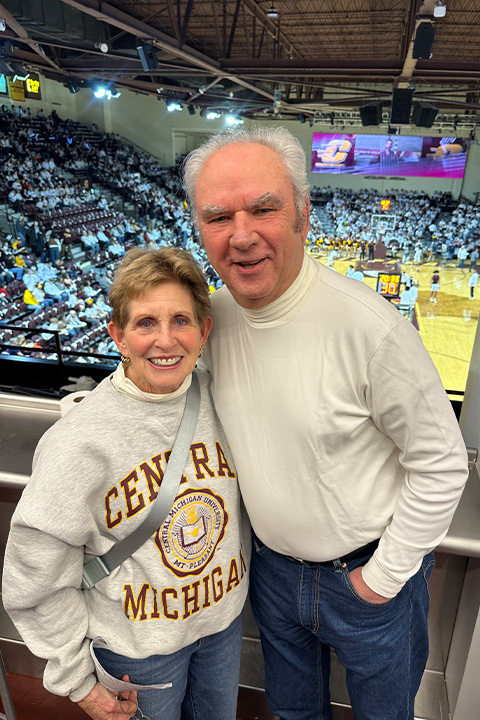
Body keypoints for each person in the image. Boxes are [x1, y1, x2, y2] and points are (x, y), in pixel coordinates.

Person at [182, 126, 468, 720]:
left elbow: (440, 462)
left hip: (369, 580)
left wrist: (383, 577)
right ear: (198, 229)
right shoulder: (212, 322)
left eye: (264, 208)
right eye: (217, 217)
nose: (241, 236)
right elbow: (150, 386)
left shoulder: (372, 329)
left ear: (302, 216)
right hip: (271, 573)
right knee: (292, 714)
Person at [3, 247, 249, 720]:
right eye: (145, 323)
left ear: (204, 330)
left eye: (181, 320)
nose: (165, 340)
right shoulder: (79, 441)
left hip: (221, 628)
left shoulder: (226, 398)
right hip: (138, 653)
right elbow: (31, 577)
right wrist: (77, 682)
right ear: (117, 335)